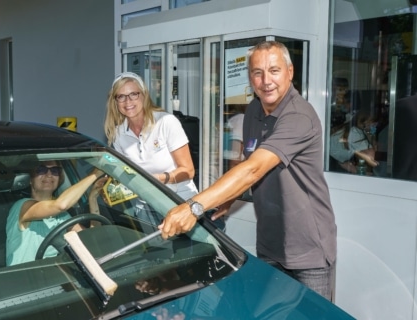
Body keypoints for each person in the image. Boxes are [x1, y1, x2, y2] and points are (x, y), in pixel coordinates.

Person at [160, 41, 337, 301]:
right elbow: (247, 161)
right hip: (270, 245)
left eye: (274, 71)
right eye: (257, 72)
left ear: (290, 72)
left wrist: (193, 207)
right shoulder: (254, 110)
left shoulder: (299, 116)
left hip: (308, 252)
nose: (266, 81)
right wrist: (227, 200)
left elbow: (254, 169)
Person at [104, 72, 198, 200]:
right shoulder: (118, 134)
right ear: (115, 101)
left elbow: (188, 171)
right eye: (121, 96)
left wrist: (158, 179)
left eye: (133, 94)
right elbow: (126, 174)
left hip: (180, 201)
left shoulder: (166, 122)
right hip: (145, 204)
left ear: (144, 95)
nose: (128, 101)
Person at [6, 161, 107, 266]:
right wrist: (95, 173)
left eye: (55, 171)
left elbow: (91, 240)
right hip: (24, 278)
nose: (49, 175)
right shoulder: (23, 206)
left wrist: (93, 198)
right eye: (41, 170)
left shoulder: (62, 216)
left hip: (52, 277)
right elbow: (61, 205)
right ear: (30, 179)